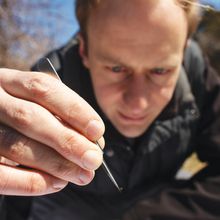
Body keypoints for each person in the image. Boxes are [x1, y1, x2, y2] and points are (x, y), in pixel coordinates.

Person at [0, 0, 220, 219]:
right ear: (84, 49)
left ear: (183, 52)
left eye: (160, 70)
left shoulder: (198, 77)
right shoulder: (39, 96)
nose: (138, 104)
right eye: (116, 68)